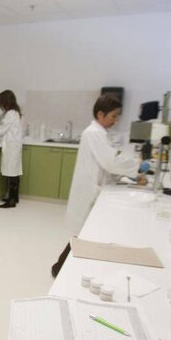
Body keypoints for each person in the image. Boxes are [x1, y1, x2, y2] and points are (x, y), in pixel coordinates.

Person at [51, 94, 144, 277]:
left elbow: (108, 162)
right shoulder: (94, 133)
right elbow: (110, 161)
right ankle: (59, 268)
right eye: (113, 116)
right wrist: (138, 166)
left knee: (85, 232)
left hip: (95, 189)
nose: (116, 120)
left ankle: (65, 268)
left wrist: (129, 173)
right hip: (90, 191)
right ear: (101, 114)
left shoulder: (99, 133)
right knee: (83, 233)